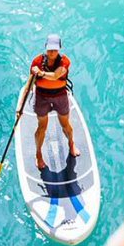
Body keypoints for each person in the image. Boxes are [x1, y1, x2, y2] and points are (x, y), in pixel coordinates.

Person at [31, 33, 79, 170]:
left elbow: (56, 76)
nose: (52, 52)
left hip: (60, 95)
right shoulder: (37, 61)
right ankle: (38, 154)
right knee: (42, 127)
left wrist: (41, 73)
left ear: (59, 49)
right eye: (50, 49)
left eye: (55, 49)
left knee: (65, 124)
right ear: (46, 47)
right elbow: (30, 83)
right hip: (42, 96)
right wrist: (19, 109)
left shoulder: (65, 61)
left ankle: (71, 143)